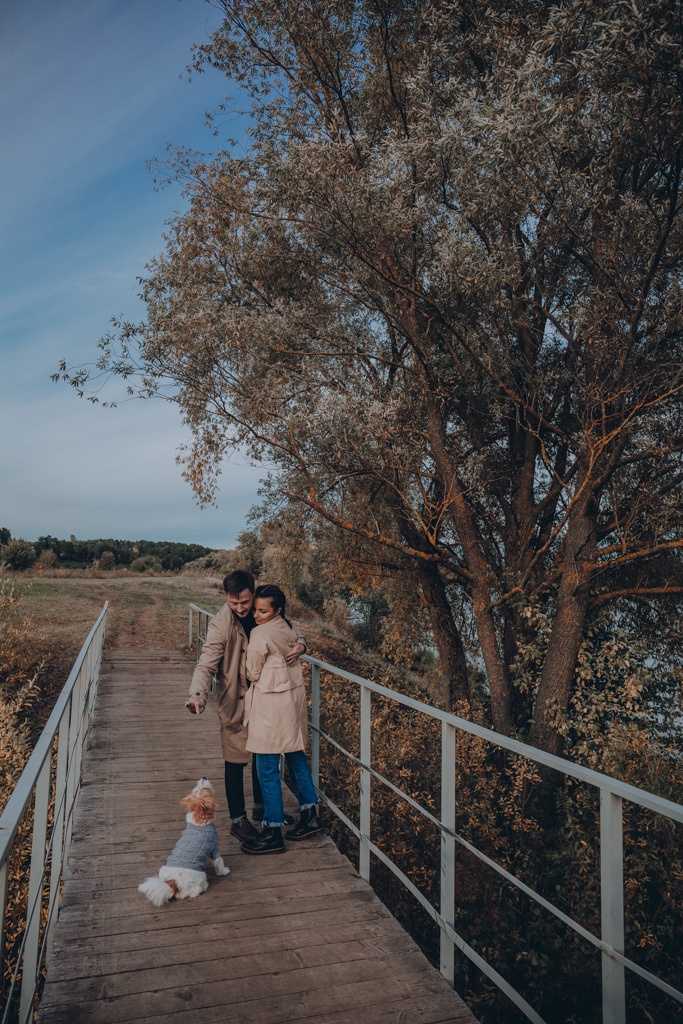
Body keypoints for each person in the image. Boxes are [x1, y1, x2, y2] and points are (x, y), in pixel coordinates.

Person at [185, 570, 306, 845]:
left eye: (245, 603)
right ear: (227, 598)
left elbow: (290, 628)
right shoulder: (221, 624)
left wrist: (301, 644)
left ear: (254, 592)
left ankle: (262, 811)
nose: (241, 609)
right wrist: (197, 696)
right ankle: (239, 822)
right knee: (235, 761)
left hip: (265, 700)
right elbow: (206, 663)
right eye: (233, 603)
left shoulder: (264, 605)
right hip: (235, 701)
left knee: (262, 753)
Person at [240, 584, 323, 855]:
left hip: (270, 707)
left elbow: (252, 671)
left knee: (266, 766)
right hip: (293, 702)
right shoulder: (288, 625)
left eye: (262, 610)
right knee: (296, 755)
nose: (256, 614)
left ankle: (272, 831)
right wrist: (301, 645)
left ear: (277, 610)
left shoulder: (259, 633)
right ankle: (310, 815)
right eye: (255, 609)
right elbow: (300, 635)